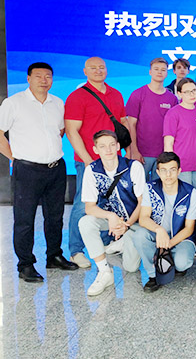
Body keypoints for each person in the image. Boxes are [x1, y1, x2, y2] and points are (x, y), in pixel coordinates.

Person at [0, 62, 77, 282]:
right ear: (28, 78)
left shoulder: (57, 103)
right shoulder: (13, 103)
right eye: (38, 76)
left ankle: (54, 256)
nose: (44, 80)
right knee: (24, 219)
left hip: (55, 168)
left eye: (48, 76)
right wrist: (15, 158)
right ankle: (25, 264)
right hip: (27, 170)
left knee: (55, 217)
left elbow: (59, 131)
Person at [65, 56, 128, 268]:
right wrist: (88, 160)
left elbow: (122, 125)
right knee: (83, 204)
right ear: (85, 71)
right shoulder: (77, 96)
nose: (98, 70)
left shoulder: (116, 94)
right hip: (88, 161)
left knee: (109, 202)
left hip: (113, 160)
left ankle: (106, 243)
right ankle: (76, 251)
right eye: (93, 68)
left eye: (102, 67)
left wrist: (128, 151)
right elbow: (71, 131)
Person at [78, 130, 144, 296]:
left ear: (118, 146)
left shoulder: (133, 167)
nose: (108, 150)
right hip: (112, 221)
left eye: (111, 145)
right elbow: (89, 208)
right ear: (95, 150)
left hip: (134, 221)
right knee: (85, 222)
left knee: (131, 267)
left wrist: (126, 225)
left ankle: (123, 242)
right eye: (102, 146)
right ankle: (104, 271)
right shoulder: (92, 170)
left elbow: (143, 203)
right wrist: (111, 216)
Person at [133, 152, 196, 292]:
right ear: (158, 172)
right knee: (139, 235)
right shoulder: (150, 188)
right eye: (163, 170)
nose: (168, 175)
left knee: (182, 263)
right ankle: (153, 275)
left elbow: (189, 228)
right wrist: (159, 230)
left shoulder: (191, 192)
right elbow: (143, 218)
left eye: (172, 170)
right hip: (157, 234)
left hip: (180, 236)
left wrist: (168, 245)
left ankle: (171, 262)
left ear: (179, 171)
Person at [126, 57, 178, 181]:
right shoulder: (138, 94)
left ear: (167, 73)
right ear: (150, 72)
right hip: (142, 153)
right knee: (138, 187)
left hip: (164, 154)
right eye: (156, 69)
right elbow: (131, 124)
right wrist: (134, 150)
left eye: (163, 70)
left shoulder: (172, 99)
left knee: (159, 188)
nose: (159, 72)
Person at [163, 78, 196, 207]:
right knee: (184, 202)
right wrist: (171, 167)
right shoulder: (173, 113)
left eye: (194, 90)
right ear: (179, 94)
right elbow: (168, 142)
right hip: (182, 166)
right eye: (187, 92)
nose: (191, 94)